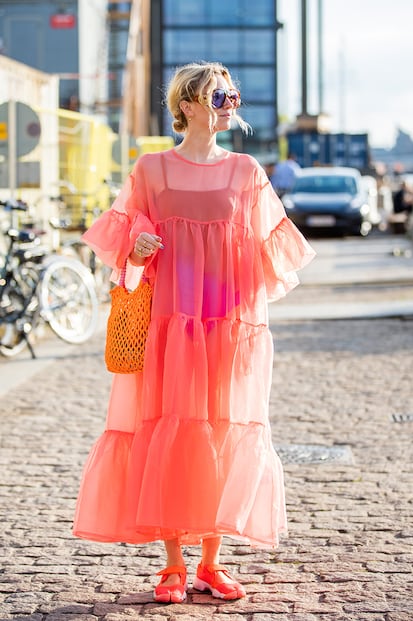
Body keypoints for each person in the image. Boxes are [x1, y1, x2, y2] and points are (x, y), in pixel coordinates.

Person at [73, 62, 315, 604]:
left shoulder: (248, 171)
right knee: (170, 430)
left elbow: (269, 251)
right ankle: (173, 566)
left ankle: (212, 562)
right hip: (169, 324)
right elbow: (125, 237)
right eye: (219, 96)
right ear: (186, 105)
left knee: (221, 430)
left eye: (232, 96)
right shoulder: (152, 169)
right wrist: (136, 249)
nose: (230, 104)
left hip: (226, 325)